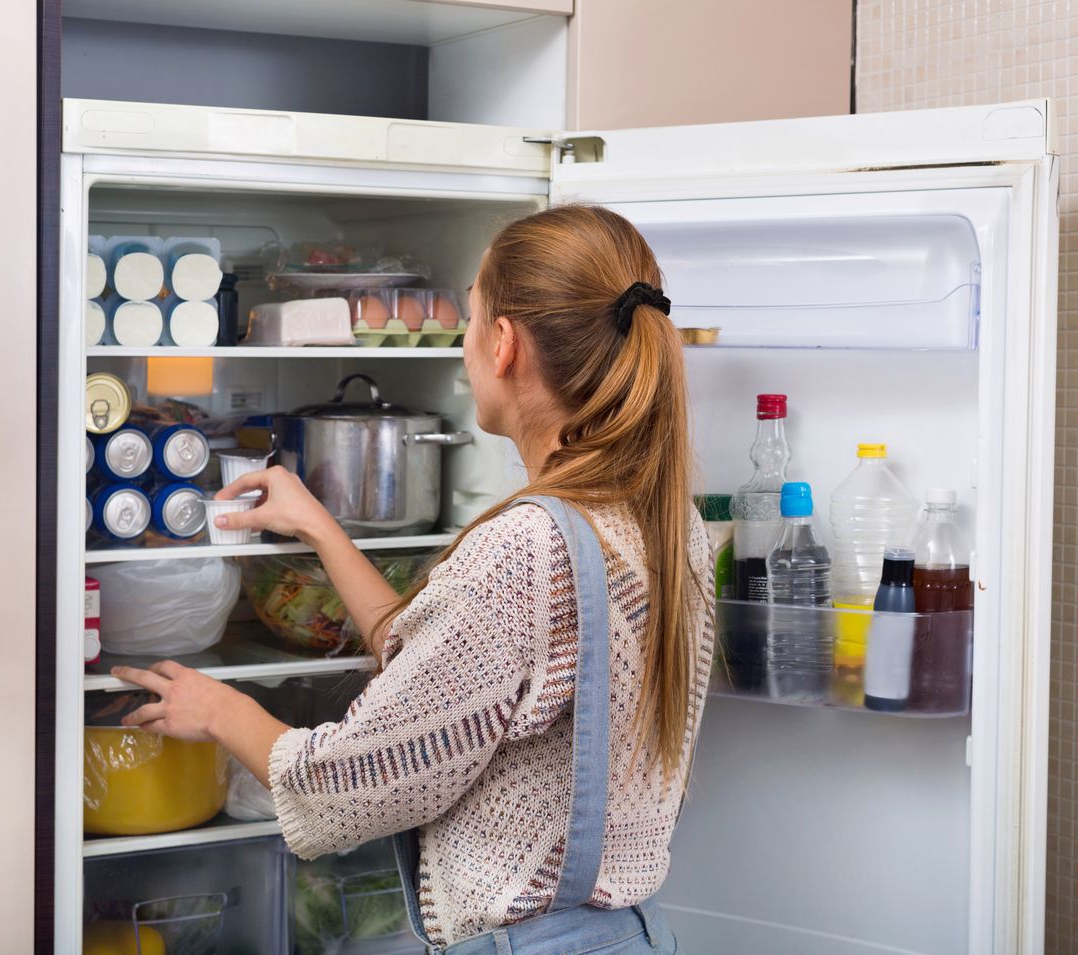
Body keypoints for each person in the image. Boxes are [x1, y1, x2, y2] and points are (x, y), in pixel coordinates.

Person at [113, 204, 714, 954]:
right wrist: (320, 526)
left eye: (468, 320)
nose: (463, 346)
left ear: (503, 345)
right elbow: (443, 670)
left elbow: (345, 788)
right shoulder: (665, 523)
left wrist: (220, 707)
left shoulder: (524, 551)